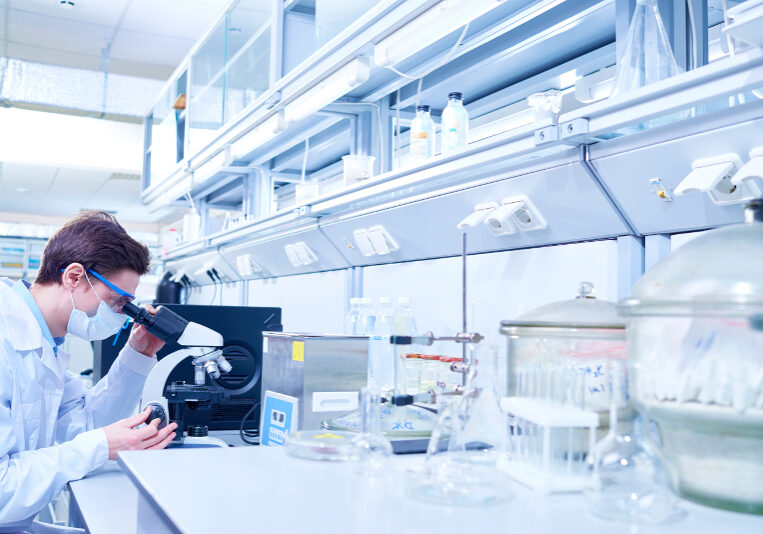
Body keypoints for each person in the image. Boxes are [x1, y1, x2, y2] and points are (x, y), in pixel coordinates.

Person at [0, 211, 178, 532]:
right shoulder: (5, 340)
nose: (119, 315)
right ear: (74, 277)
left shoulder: (45, 344)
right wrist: (96, 447)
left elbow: (86, 424)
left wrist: (138, 355)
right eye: (116, 301)